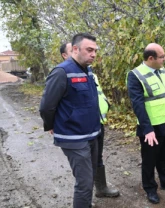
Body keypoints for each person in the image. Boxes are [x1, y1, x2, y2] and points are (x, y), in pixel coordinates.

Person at [40, 33, 100, 208]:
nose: (93, 54)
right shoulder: (61, 72)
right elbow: (46, 106)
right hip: (73, 137)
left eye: (95, 51)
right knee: (84, 183)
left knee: (90, 178)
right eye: (89, 50)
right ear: (75, 49)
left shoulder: (88, 70)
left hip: (92, 134)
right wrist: (51, 125)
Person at [60, 43, 120, 198]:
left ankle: (101, 188)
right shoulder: (63, 75)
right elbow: (50, 105)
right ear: (65, 56)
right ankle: (84, 194)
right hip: (81, 127)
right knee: (83, 166)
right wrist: (52, 125)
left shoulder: (89, 72)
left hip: (98, 122)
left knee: (97, 157)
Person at [127, 43, 165, 204]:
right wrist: (147, 129)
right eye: (162, 57)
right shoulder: (136, 75)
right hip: (151, 126)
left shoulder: (161, 69)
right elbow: (137, 104)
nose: (164, 59)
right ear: (151, 58)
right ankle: (150, 188)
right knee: (149, 159)